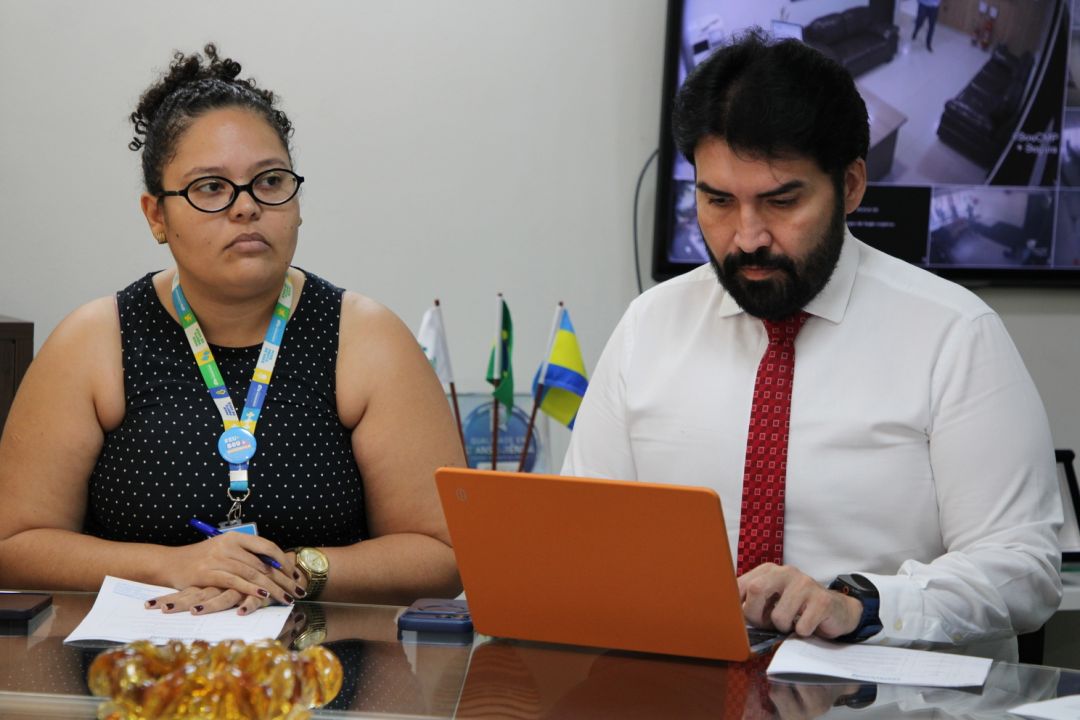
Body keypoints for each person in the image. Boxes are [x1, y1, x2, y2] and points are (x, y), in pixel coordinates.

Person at [563, 31, 1061, 658]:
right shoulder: (648, 327)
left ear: (851, 186)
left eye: (781, 201)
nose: (746, 237)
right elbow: (584, 540)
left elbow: (1024, 569)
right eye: (717, 200)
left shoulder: (954, 336)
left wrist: (860, 604)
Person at [0, 45, 463, 615]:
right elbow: (13, 545)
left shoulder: (367, 339)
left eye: (269, 181)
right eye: (211, 188)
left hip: (321, 682)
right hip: (135, 678)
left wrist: (296, 570)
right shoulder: (94, 340)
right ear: (156, 216)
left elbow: (443, 556)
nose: (246, 207)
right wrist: (169, 564)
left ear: (296, 202)